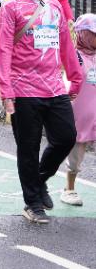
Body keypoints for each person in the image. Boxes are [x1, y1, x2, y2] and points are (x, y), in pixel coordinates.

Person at [0, 0, 83, 224]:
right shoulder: (10, 9)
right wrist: (6, 90)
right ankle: (32, 203)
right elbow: (3, 50)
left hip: (54, 87)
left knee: (66, 137)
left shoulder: (54, 7)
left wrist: (75, 77)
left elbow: (66, 46)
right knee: (28, 147)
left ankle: (39, 180)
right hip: (23, 89)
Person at [59, 14, 96, 206]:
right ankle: (69, 188)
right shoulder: (76, 57)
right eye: (93, 34)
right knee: (76, 155)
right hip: (79, 116)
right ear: (84, 34)